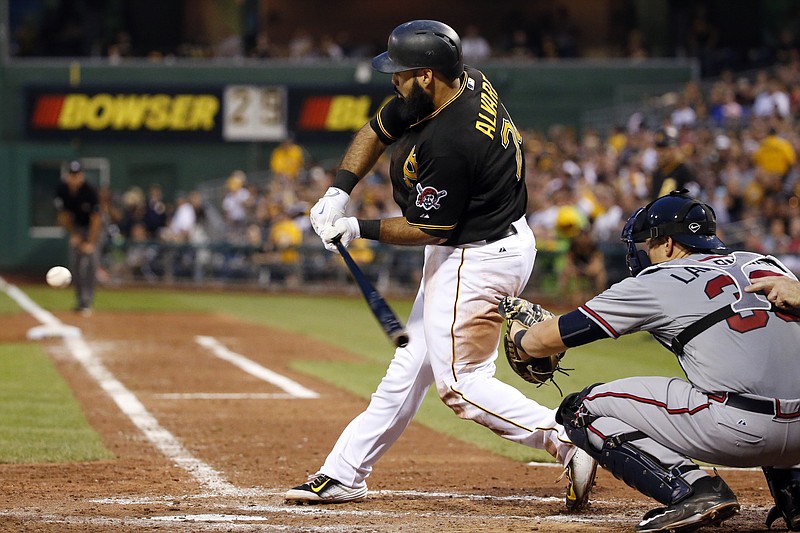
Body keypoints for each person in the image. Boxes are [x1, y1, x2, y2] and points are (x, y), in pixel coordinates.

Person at [284, 19, 597, 509]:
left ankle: (566, 438)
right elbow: (377, 128)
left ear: (427, 75)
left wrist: (356, 228)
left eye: (402, 73)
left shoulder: (452, 139)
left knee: (461, 384)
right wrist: (337, 191)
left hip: (476, 255)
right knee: (409, 366)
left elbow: (432, 229)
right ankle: (344, 472)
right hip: (488, 241)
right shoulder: (460, 81)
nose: (394, 80)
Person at [503, 189, 800, 532]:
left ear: (669, 244)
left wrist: (521, 339)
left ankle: (693, 488)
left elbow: (545, 341)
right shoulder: (763, 262)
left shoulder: (657, 281)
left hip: (738, 431)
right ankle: (794, 495)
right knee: (773, 372)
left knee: (580, 409)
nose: (644, 253)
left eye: (648, 244)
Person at [54, 160, 102, 316]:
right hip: (76, 227)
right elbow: (63, 217)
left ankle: (87, 301)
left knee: (91, 264)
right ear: (68, 176)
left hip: (92, 228)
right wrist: (74, 235)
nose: (74, 178)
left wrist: (90, 243)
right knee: (75, 265)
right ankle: (80, 301)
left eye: (77, 175)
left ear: (81, 176)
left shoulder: (90, 191)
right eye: (72, 175)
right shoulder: (62, 190)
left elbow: (96, 219)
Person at [650, 126, 699, 200]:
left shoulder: (684, 170)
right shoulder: (657, 173)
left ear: (674, 149)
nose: (661, 153)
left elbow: (694, 199)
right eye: (658, 149)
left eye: (664, 149)